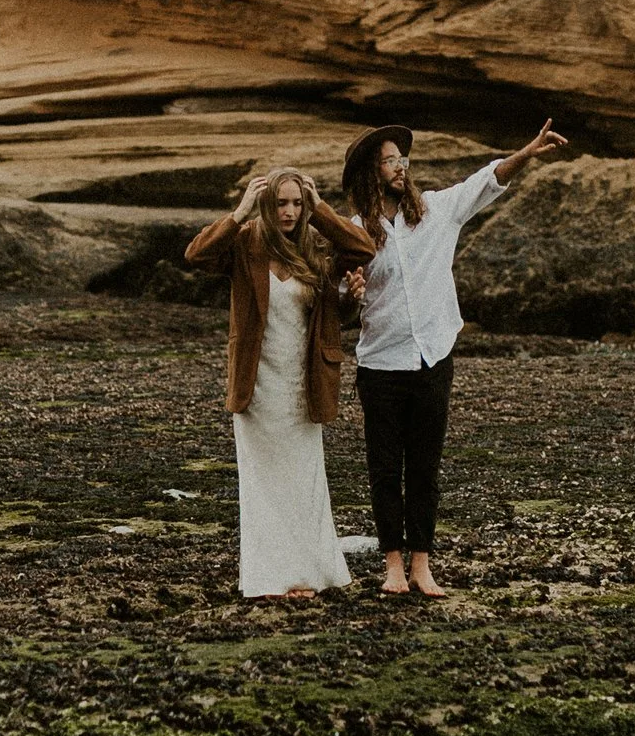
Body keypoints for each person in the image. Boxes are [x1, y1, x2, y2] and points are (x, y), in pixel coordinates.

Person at [341, 119, 571, 597]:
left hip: (432, 359)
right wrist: (350, 288)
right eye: (388, 160)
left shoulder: (437, 211)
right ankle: (393, 568)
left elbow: (487, 181)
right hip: (380, 365)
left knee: (424, 466)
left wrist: (525, 152)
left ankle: (422, 564)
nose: (399, 166)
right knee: (385, 469)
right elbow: (339, 291)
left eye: (401, 158)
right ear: (370, 171)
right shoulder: (354, 233)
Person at [184, 168, 378, 600]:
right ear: (265, 204)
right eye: (280, 203)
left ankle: (310, 572)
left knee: (305, 480)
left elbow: (362, 247)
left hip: (302, 383)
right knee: (263, 484)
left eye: (296, 203)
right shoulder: (245, 242)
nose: (289, 212)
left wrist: (321, 210)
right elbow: (196, 255)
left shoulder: (315, 247)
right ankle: (271, 578)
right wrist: (239, 213)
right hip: (256, 386)